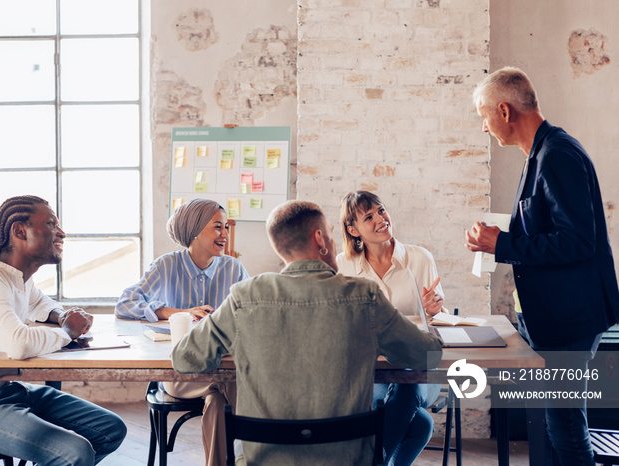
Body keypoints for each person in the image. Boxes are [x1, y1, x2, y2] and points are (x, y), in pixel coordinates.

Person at [171, 200, 443, 465]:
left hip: (264, 459)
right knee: (418, 419)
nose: (335, 243)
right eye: (332, 235)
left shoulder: (245, 297)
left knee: (420, 422)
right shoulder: (364, 296)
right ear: (320, 239)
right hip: (346, 458)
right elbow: (427, 355)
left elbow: (184, 359)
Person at [466, 66, 619, 465]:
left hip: (568, 320)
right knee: (558, 426)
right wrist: (498, 238)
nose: (484, 127)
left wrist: (502, 243)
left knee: (566, 427)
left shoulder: (557, 155)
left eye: (483, 116)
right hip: (554, 318)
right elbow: (550, 227)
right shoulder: (539, 153)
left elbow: (577, 241)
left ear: (504, 110)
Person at [0, 195, 126, 466]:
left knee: (111, 429)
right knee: (76, 453)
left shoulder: (17, 278)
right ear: (19, 231)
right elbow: (19, 344)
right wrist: (68, 332)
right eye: (50, 223)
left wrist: (61, 316)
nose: (62, 233)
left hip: (6, 392)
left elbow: (39, 302)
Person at [115, 198, 249, 466]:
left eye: (226, 228)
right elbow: (124, 304)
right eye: (217, 227)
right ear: (196, 230)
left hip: (222, 369)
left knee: (215, 400)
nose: (225, 234)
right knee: (236, 387)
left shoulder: (233, 269)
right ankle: (257, 455)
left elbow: (253, 313)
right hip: (179, 372)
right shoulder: (166, 266)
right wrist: (175, 312)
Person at [337, 190, 446, 466]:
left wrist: (434, 311)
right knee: (421, 424)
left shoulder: (420, 258)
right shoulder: (344, 265)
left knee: (405, 388)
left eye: (381, 211)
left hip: (420, 368)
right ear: (353, 230)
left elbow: (439, 322)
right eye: (369, 217)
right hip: (370, 370)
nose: (381, 219)